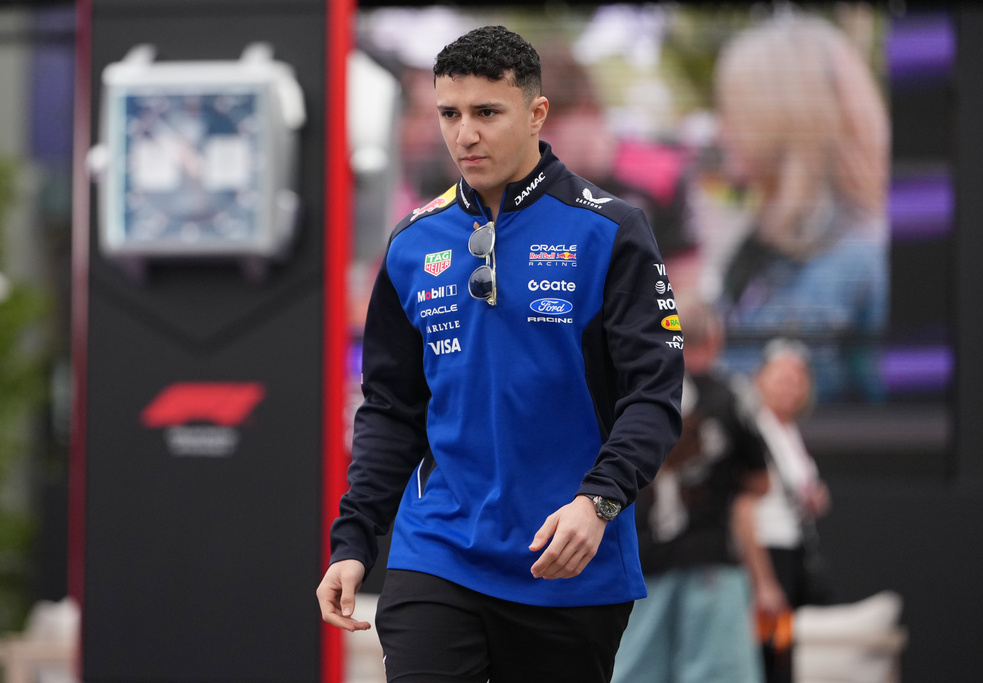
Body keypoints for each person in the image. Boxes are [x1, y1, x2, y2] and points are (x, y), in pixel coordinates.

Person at [316, 25, 684, 683]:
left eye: (487, 112)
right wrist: (353, 540)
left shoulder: (610, 231)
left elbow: (653, 396)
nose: (465, 134)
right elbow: (391, 412)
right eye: (450, 114)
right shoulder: (409, 245)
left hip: (569, 561)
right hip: (439, 549)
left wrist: (598, 501)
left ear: (537, 113)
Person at [708, 13, 891, 403]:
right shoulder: (771, 241)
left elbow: (750, 401)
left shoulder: (846, 260)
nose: (719, 130)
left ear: (782, 120)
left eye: (732, 111)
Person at [612, 293, 772, 683]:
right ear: (714, 338)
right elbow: (761, 481)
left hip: (643, 562)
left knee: (635, 672)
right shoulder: (732, 395)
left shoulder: (633, 395)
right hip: (711, 560)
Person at [748, 338, 832, 683]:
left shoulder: (790, 432)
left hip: (792, 554)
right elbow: (746, 505)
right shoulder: (754, 428)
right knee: (767, 652)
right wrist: (763, 580)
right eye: (782, 376)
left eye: (798, 378)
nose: (791, 385)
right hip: (766, 556)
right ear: (760, 379)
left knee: (783, 650)